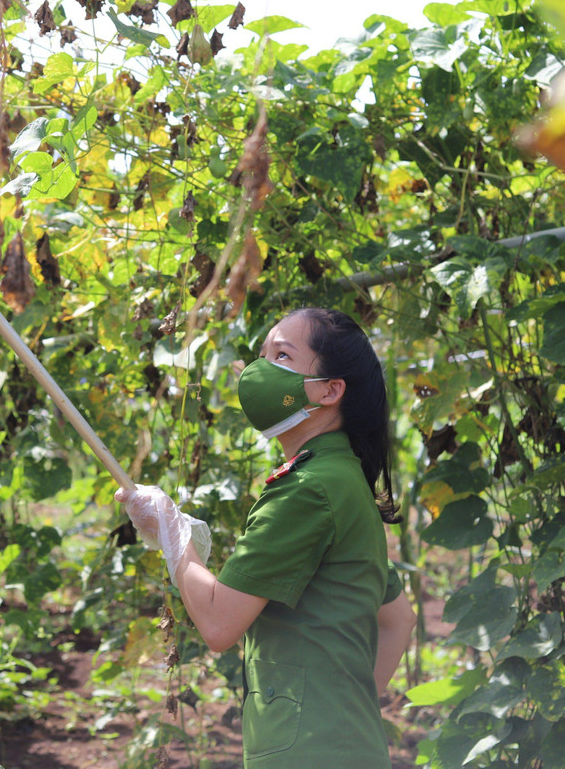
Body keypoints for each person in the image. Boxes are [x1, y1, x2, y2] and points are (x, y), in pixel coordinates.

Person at [117, 307, 417, 767]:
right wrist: (344, 708)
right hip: (342, 745)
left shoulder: (309, 489)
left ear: (330, 390)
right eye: (261, 355)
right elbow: (399, 618)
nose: (258, 371)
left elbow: (219, 624)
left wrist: (171, 529)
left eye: (281, 356)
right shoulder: (340, 478)